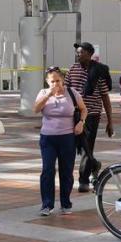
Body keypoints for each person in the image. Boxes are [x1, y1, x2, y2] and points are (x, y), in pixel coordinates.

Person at [33, 67, 86, 216]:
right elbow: (35, 109)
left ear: (62, 80)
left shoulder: (72, 93)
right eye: (52, 81)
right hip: (48, 138)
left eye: (58, 80)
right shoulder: (43, 93)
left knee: (66, 171)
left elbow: (83, 109)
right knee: (48, 170)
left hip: (67, 137)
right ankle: (47, 204)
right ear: (47, 81)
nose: (55, 83)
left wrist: (81, 122)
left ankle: (65, 203)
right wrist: (49, 94)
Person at [64, 41, 113, 192]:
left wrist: (110, 121)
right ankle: (95, 164)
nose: (78, 55)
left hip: (92, 115)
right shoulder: (72, 69)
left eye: (82, 52)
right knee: (74, 146)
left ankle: (83, 180)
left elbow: (105, 96)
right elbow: (65, 91)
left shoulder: (99, 71)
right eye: (77, 53)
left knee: (87, 147)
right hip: (73, 114)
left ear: (90, 54)